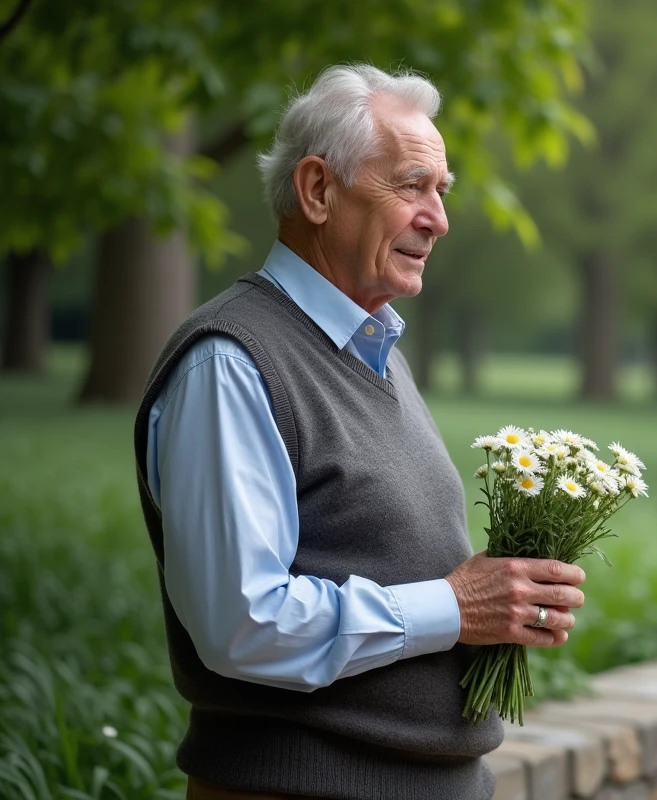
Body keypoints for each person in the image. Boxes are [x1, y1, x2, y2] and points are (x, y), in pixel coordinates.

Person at [132, 63, 586, 800]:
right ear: (317, 191)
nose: (438, 217)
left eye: (442, 191)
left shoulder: (374, 352)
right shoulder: (231, 364)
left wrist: (503, 597)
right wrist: (455, 605)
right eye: (411, 185)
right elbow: (244, 625)